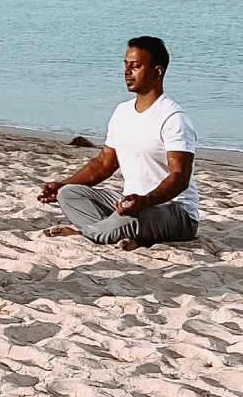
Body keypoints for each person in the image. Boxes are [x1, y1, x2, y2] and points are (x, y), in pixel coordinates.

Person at [39, 36, 199, 249]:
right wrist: (62, 185)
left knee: (132, 218)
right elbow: (104, 164)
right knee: (69, 194)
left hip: (174, 212)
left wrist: (146, 201)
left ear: (157, 72)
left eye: (136, 66)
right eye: (126, 65)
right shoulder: (122, 112)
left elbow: (180, 178)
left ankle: (85, 233)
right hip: (129, 204)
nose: (127, 72)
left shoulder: (173, 117)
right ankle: (117, 234)